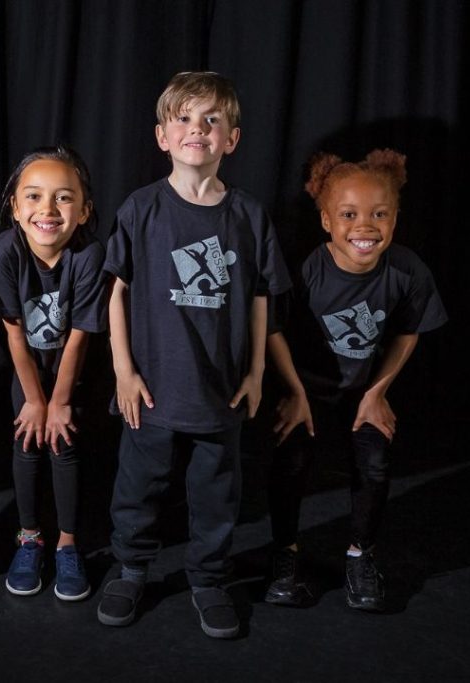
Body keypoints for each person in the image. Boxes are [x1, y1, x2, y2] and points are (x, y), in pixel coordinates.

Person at [97, 71, 291, 638]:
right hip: (153, 386)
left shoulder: (248, 215)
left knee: (216, 493)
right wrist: (123, 371)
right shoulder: (141, 208)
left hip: (220, 388)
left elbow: (260, 295)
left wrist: (257, 372)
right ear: (163, 136)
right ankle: (131, 569)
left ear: (232, 138)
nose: (197, 129)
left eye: (212, 119)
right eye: (183, 118)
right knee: (139, 487)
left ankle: (208, 578)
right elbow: (116, 291)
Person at [262, 149, 447, 612]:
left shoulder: (407, 270)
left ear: (395, 218)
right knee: (291, 460)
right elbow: (272, 329)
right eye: (349, 215)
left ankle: (360, 554)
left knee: (375, 462)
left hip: (362, 391)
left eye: (379, 214)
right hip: (306, 389)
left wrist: (377, 392)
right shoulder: (306, 269)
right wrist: (294, 393)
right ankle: (284, 553)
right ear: (327, 220)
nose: (365, 226)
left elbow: (408, 332)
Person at [0, 146, 108, 601]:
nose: (48, 209)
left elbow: (80, 335)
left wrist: (60, 402)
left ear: (84, 210)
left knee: (64, 443)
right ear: (15, 208)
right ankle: (30, 538)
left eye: (63, 197)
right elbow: (15, 334)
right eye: (33, 196)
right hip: (30, 370)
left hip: (75, 370)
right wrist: (36, 401)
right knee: (28, 441)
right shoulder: (2, 254)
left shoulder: (90, 255)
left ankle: (68, 544)